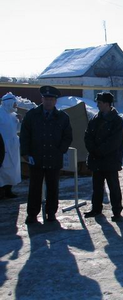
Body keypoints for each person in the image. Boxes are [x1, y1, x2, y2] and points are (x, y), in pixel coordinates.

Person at [20, 86, 73, 224]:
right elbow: (24, 135)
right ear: (42, 99)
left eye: (51, 99)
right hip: (36, 158)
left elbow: (68, 137)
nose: (48, 102)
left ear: (55, 101)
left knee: (52, 187)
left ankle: (51, 213)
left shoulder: (62, 117)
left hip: (54, 159)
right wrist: (25, 153)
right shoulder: (32, 115)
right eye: (46, 99)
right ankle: (32, 214)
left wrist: (60, 150)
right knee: (35, 188)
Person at [84, 92, 123, 222]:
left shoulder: (117, 121)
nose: (97, 104)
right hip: (97, 160)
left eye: (100, 102)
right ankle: (96, 209)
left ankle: (117, 211)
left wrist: (99, 151)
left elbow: (115, 141)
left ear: (107, 104)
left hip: (110, 160)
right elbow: (87, 136)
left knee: (113, 187)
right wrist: (93, 150)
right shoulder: (95, 119)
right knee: (97, 187)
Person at [0, 93, 22, 200]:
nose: (16, 106)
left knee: (13, 168)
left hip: (13, 147)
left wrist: (19, 121)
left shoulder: (13, 115)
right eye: (14, 103)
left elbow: (17, 130)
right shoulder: (0, 113)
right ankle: (1, 191)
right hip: (2, 146)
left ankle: (9, 190)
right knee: (3, 168)